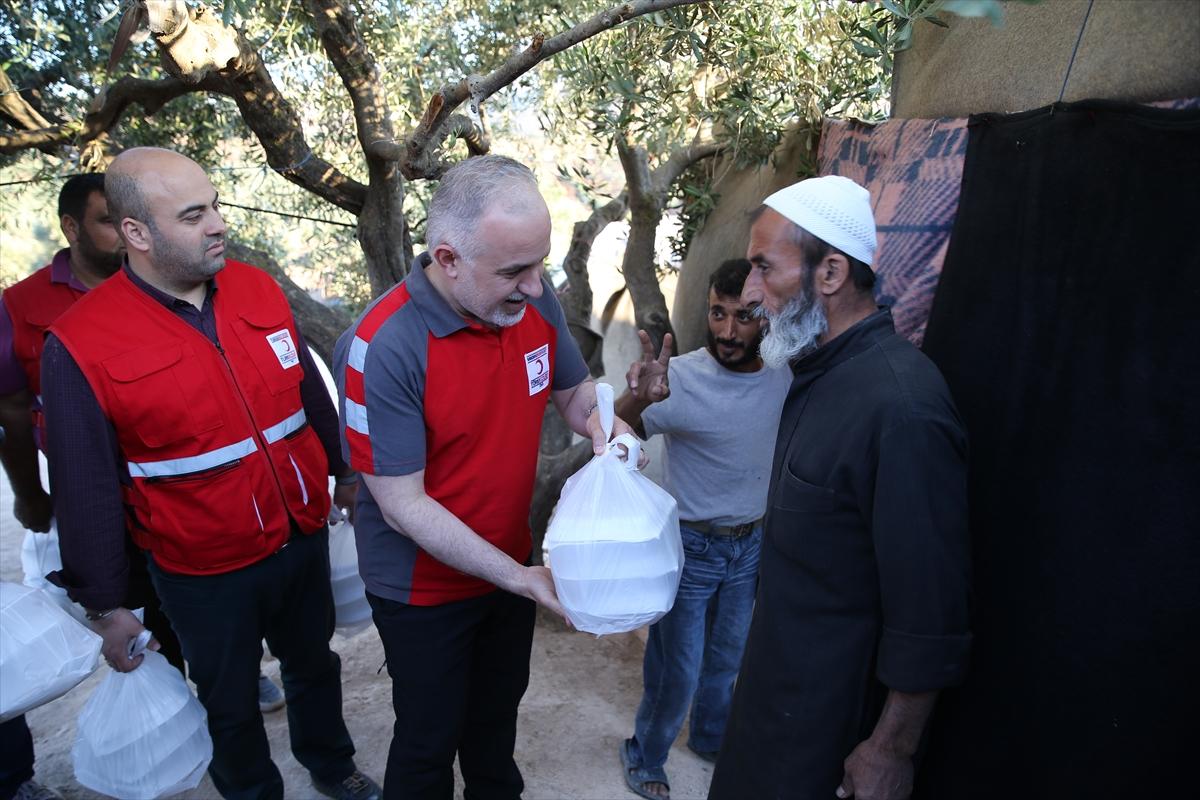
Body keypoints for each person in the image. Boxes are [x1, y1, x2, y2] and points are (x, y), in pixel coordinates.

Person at [40, 147, 380, 800]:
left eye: (216, 205)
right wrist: (107, 607)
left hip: (299, 535)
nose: (218, 224)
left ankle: (331, 765)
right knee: (228, 698)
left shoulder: (255, 288)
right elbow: (83, 494)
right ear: (136, 233)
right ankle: (253, 791)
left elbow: (308, 391)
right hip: (201, 570)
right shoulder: (82, 342)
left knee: (314, 665)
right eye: (194, 215)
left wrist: (344, 472)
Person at [333, 154, 637, 800]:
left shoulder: (530, 296)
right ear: (447, 259)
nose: (535, 289)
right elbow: (401, 505)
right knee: (427, 742)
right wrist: (519, 576)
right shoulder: (383, 347)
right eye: (514, 272)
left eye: (540, 266)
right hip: (423, 590)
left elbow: (574, 392)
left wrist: (606, 428)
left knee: (495, 727)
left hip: (508, 565)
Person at [707, 175, 972, 800]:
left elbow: (930, 609)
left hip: (830, 736)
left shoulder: (902, 408)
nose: (749, 295)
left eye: (763, 269)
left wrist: (891, 749)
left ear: (829, 273)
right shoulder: (818, 373)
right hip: (772, 707)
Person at [0, 173, 174, 800]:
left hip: (161, 470)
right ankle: (158, 685)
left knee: (180, 573)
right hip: (82, 478)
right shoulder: (21, 305)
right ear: (72, 227)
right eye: (108, 221)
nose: (128, 234)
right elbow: (14, 410)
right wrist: (29, 492)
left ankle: (214, 675)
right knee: (117, 584)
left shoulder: (160, 283)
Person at [614, 259, 792, 800]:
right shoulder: (682, 377)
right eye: (718, 312)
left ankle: (710, 737)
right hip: (690, 547)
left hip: (750, 544)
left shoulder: (787, 372)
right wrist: (640, 396)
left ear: (768, 317)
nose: (727, 330)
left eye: (744, 316)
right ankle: (645, 753)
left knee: (727, 660)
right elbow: (616, 433)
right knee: (678, 669)